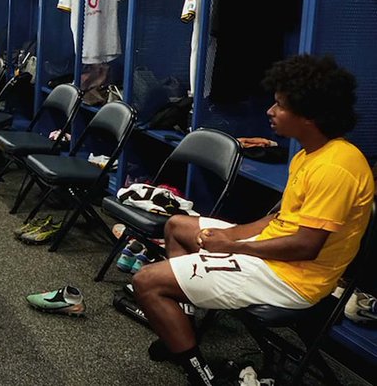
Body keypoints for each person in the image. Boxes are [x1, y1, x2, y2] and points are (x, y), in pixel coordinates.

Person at [132, 55, 374, 386]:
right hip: (275, 254)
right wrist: (230, 237)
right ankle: (181, 329)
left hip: (293, 279)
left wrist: (232, 246)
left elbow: (306, 246)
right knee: (177, 226)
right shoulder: (310, 153)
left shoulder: (336, 168)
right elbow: (279, 219)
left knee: (146, 282)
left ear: (309, 115)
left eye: (280, 106)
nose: (270, 111)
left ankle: (199, 373)